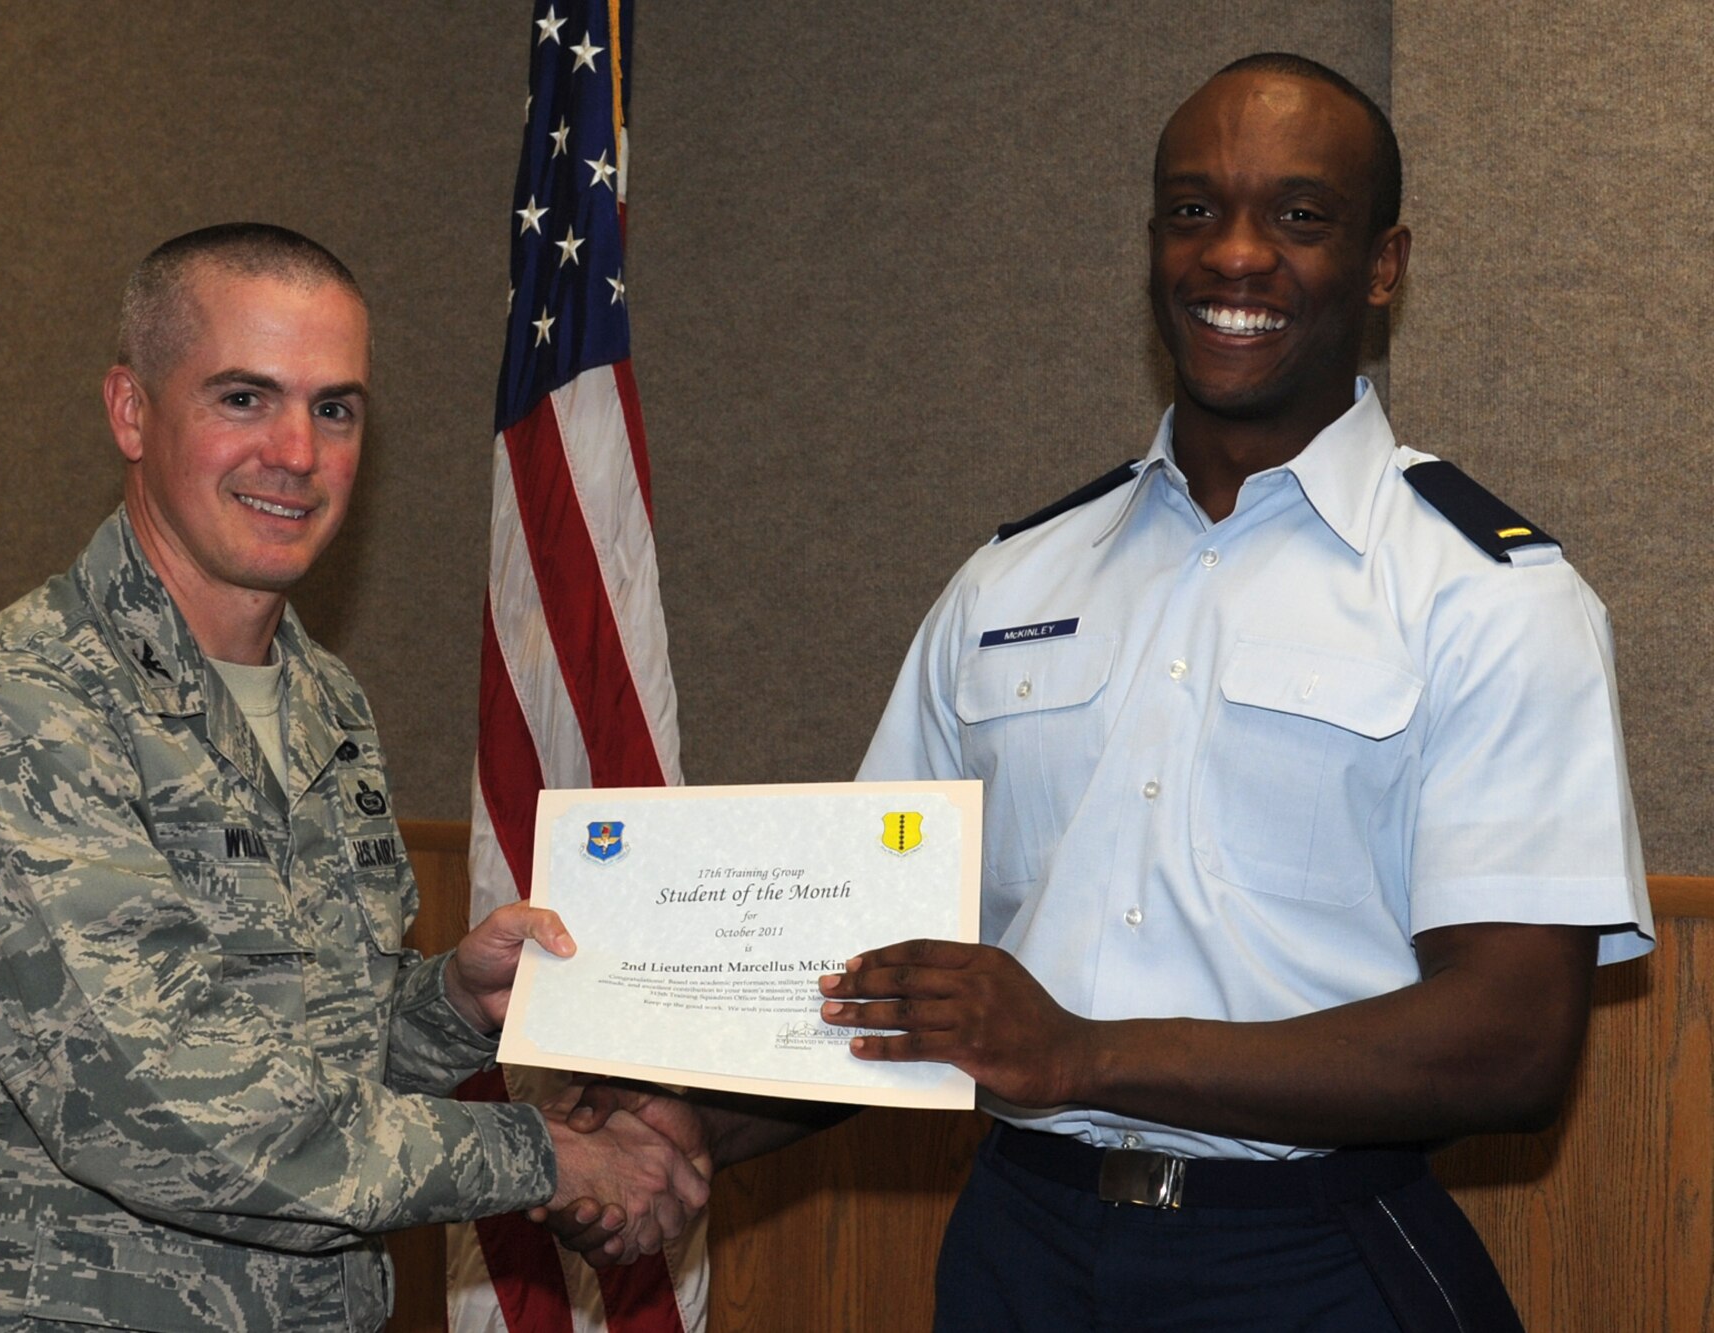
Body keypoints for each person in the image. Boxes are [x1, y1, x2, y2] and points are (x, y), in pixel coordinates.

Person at [554, 54, 1652, 1331]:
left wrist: (1083, 1052)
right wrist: (685, 1122)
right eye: (1193, 210)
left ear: (1384, 263)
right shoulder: (1008, 578)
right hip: (1018, 1246)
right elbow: (877, 964)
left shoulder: (1489, 597)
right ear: (1150, 245)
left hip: (1308, 1259)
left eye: (1297, 216)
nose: (1233, 257)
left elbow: (1509, 1042)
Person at [0, 223, 708, 1332]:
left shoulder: (323, 701)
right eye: (243, 398)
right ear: (130, 409)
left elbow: (309, 1048)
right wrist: (547, 1153)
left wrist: (450, 1004)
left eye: (334, 407)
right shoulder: (18, 707)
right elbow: (167, 1109)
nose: (296, 452)